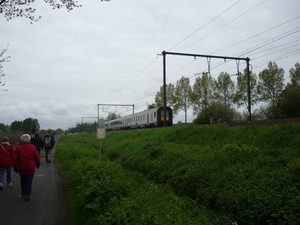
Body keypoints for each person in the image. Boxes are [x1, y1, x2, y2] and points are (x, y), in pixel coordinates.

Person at [13, 134, 40, 201]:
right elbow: (36, 157)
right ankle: (27, 194)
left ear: (22, 139)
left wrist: (14, 166)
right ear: (29, 139)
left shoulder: (18, 147)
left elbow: (15, 158)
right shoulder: (32, 147)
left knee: (22, 180)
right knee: (29, 181)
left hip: (22, 167)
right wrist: (37, 164)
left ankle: (23, 192)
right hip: (30, 167)